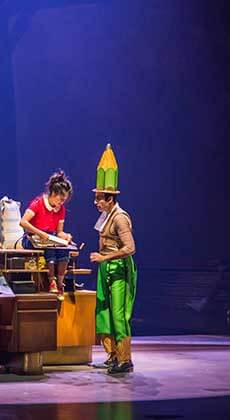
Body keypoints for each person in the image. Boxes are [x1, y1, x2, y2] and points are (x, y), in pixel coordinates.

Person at [89, 144, 137, 374]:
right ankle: (113, 355)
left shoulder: (120, 218)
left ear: (110, 199)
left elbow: (130, 247)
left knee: (118, 314)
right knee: (104, 312)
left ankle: (125, 359)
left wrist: (105, 256)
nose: (96, 202)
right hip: (105, 267)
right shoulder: (105, 215)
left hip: (118, 269)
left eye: (99, 198)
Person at [19, 172, 73, 299]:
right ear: (53, 194)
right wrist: (40, 232)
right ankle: (51, 281)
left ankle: (60, 282)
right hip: (32, 238)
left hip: (49, 238)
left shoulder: (61, 210)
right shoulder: (38, 203)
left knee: (64, 250)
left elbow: (59, 231)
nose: (62, 203)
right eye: (61, 199)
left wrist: (65, 236)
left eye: (64, 200)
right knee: (50, 250)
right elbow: (23, 222)